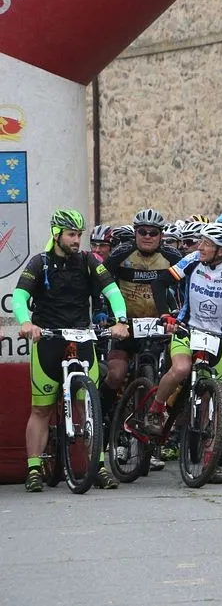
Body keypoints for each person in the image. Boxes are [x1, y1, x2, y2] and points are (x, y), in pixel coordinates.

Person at [14, 210, 130, 492]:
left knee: (88, 404)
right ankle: (33, 468)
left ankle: (98, 465)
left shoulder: (90, 260)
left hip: (82, 338)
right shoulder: (39, 263)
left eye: (79, 234)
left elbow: (112, 291)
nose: (77, 240)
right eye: (71, 235)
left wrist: (121, 320)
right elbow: (20, 296)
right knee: (40, 410)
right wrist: (26, 323)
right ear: (57, 235)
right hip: (49, 340)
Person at [146, 223, 222, 485]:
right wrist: (166, 314)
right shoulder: (191, 261)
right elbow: (161, 283)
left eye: (207, 244)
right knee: (181, 370)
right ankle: (155, 409)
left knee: (213, 398)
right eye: (202, 242)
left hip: (215, 338)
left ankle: (210, 462)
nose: (201, 247)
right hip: (186, 329)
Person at [101, 208, 181, 472]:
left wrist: (179, 314)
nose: (147, 236)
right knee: (116, 375)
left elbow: (183, 288)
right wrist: (104, 314)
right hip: (126, 325)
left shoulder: (171, 256)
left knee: (163, 381)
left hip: (159, 325)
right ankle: (108, 421)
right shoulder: (121, 255)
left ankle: (154, 442)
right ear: (135, 233)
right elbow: (102, 284)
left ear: (161, 235)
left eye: (153, 232)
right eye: (142, 232)